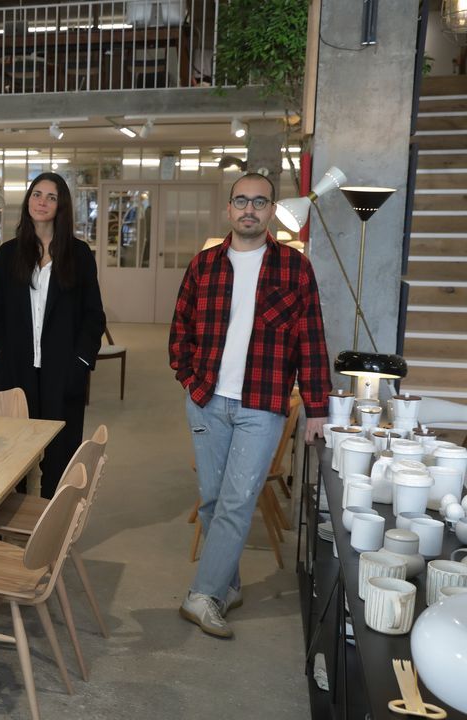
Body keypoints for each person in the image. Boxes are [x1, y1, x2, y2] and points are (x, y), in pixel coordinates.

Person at [170, 173, 331, 639]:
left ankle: (201, 596)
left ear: (271, 211)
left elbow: (312, 340)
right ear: (229, 209)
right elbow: (180, 331)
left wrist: (317, 407)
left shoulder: (295, 269)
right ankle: (227, 584)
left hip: (261, 405)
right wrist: (190, 380)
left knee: (238, 501)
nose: (249, 209)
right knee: (213, 500)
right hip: (207, 400)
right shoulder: (204, 266)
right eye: (241, 201)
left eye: (260, 202)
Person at [0, 172, 106, 497]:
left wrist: (81, 363)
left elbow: (93, 315)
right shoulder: (8, 254)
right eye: (37, 194)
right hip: (16, 370)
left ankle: (52, 521)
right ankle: (13, 520)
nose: (42, 202)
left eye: (51, 197)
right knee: (14, 455)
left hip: (64, 371)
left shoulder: (79, 255)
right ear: (28, 201)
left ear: (61, 205)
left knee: (60, 459)